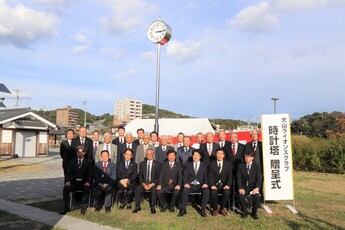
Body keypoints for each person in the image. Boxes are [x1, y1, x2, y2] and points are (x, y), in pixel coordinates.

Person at [60, 146, 93, 215]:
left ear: (84, 153)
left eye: (81, 152)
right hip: (74, 182)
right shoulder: (72, 161)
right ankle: (66, 207)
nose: (80, 154)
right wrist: (67, 181)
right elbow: (68, 173)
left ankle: (83, 207)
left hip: (84, 183)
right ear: (76, 153)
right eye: (78, 152)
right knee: (65, 188)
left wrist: (88, 182)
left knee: (86, 188)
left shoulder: (88, 162)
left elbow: (90, 174)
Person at [178, 149, 209, 217]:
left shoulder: (204, 165)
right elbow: (185, 175)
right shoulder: (188, 164)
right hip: (190, 185)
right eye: (194, 155)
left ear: (200, 156)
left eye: (197, 155)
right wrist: (185, 183)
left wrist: (205, 183)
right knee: (185, 190)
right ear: (192, 156)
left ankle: (202, 210)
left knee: (206, 191)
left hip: (200, 185)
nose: (196, 157)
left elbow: (205, 176)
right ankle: (183, 209)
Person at [133, 148, 161, 214]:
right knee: (138, 189)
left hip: (153, 183)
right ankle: (137, 206)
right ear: (146, 155)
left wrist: (152, 184)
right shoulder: (142, 164)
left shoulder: (158, 164)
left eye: (150, 154)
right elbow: (140, 175)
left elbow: (158, 176)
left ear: (153, 155)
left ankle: (153, 207)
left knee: (153, 190)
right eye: (147, 154)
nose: (149, 155)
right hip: (144, 183)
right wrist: (143, 184)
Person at [237, 151, 262, 220]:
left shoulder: (257, 166)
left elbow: (259, 178)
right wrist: (240, 188)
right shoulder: (240, 166)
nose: (247, 158)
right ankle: (245, 212)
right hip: (244, 187)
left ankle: (254, 213)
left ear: (252, 158)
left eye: (248, 157)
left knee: (257, 197)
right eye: (245, 157)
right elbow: (238, 178)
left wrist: (256, 188)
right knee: (240, 196)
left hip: (253, 187)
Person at [208, 149, 232, 216]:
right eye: (218, 154)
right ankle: (215, 209)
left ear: (224, 155)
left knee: (227, 191)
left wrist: (228, 185)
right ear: (216, 155)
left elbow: (230, 177)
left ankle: (222, 208)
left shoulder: (228, 164)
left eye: (221, 154)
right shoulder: (211, 164)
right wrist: (212, 185)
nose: (219, 155)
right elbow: (210, 176)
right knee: (213, 192)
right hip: (215, 185)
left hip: (224, 185)